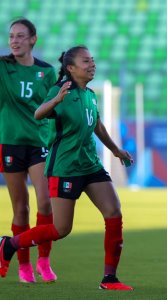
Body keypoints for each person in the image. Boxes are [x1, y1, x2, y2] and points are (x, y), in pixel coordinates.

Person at [0, 45, 134, 290]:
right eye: (86, 61)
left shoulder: (90, 94)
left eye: (92, 60)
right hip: (65, 167)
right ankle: (9, 245)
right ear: (71, 68)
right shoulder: (59, 90)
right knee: (61, 229)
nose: (92, 64)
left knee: (114, 212)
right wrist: (56, 99)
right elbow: (39, 114)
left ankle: (109, 278)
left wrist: (116, 150)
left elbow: (98, 126)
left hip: (90, 164)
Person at [0, 18, 57, 283]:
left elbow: (55, 109)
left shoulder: (47, 72)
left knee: (45, 202)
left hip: (38, 143)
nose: (15, 41)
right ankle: (23, 265)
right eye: (11, 36)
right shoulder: (3, 68)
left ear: (33, 39)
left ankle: (43, 261)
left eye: (21, 36)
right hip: (11, 143)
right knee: (20, 208)